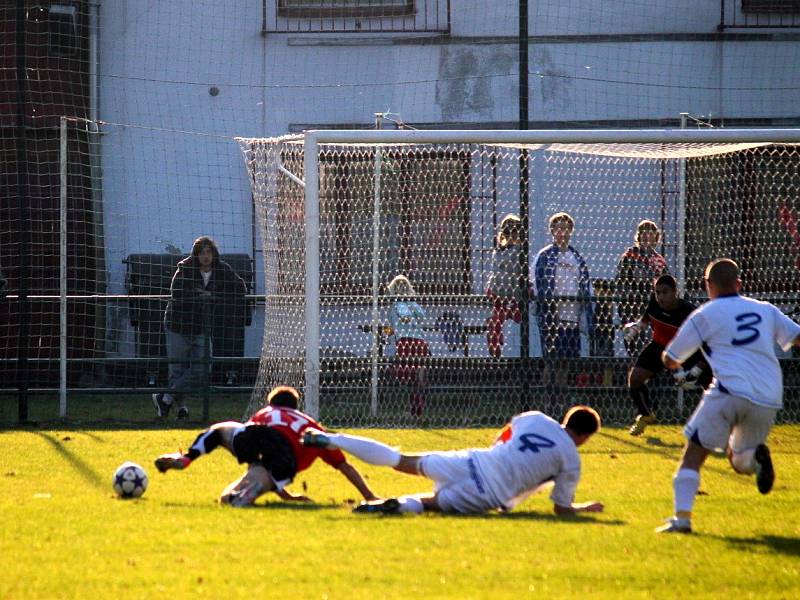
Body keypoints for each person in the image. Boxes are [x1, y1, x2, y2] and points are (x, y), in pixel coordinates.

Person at [656, 258, 800, 534]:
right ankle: (755, 457)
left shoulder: (706, 314)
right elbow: (797, 337)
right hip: (768, 395)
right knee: (740, 459)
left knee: (692, 456)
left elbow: (672, 358)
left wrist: (667, 359)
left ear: (708, 285)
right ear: (739, 284)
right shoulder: (765, 310)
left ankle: (682, 520)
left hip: (728, 391)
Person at [302, 405, 604, 516]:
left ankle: (334, 438)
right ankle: (389, 505)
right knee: (431, 503)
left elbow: (507, 431)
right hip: (490, 493)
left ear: (566, 418)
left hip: (474, 460)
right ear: (585, 437)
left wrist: (498, 450)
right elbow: (560, 509)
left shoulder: (536, 418)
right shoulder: (571, 460)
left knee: (400, 459)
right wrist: (584, 508)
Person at [154, 385, 378, 507]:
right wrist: (370, 496)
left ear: (273, 404)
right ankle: (254, 489)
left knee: (221, 430)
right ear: (296, 407)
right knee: (233, 498)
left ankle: (187, 458)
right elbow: (345, 467)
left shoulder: (266, 413)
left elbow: (264, 446)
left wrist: (288, 498)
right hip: (283, 458)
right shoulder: (311, 426)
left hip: (254, 436)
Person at [152, 236, 246, 420]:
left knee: (203, 367)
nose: (205, 256)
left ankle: (165, 398)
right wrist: (197, 296)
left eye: (208, 252)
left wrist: (213, 295)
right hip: (177, 325)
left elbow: (239, 288)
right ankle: (181, 410)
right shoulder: (185, 268)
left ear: (213, 254)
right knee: (177, 370)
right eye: (201, 252)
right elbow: (176, 292)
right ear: (196, 254)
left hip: (201, 327)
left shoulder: (222, 269)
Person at [623, 274, 711, 436]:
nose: (660, 297)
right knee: (635, 378)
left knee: (711, 386)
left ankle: (713, 424)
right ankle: (645, 415)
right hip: (659, 347)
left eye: (665, 292)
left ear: (675, 292)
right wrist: (634, 328)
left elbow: (708, 344)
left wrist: (698, 368)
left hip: (686, 351)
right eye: (657, 293)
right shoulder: (654, 304)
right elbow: (644, 321)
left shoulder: (690, 312)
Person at [532, 212, 593, 388]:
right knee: (551, 358)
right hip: (552, 316)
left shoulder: (577, 258)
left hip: (571, 317)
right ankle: (548, 396)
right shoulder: (544, 256)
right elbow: (536, 282)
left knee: (566, 360)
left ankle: (561, 394)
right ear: (552, 231)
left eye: (566, 229)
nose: (563, 233)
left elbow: (585, 285)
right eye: (559, 228)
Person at [615, 220, 669, 356]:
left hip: (654, 310)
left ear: (656, 237)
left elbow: (667, 285)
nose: (646, 236)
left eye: (650, 233)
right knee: (636, 350)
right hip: (634, 309)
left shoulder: (660, 261)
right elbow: (620, 283)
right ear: (638, 236)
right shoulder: (629, 257)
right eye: (643, 233)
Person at [386, 274, 430, 416]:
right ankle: (418, 408)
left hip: (406, 342)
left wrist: (404, 318)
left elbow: (402, 318)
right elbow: (423, 316)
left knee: (408, 376)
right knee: (418, 376)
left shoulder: (397, 304)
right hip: (420, 341)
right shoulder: (413, 303)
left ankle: (415, 409)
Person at [486, 214, 527, 358]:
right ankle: (497, 349)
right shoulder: (515, 251)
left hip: (507, 293)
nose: (512, 237)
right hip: (507, 293)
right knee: (500, 323)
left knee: (506, 319)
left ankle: (502, 346)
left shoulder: (502, 251)